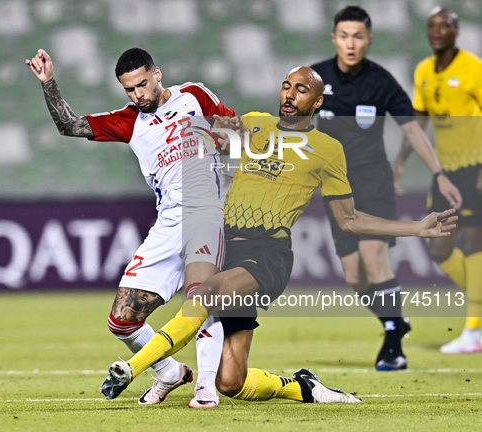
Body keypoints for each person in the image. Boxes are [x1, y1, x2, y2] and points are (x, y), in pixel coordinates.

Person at [100, 66, 458, 404]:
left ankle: (131, 369)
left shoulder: (327, 150)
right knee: (232, 383)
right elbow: (198, 140)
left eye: (302, 90)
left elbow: (348, 219)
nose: (289, 95)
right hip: (228, 250)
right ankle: (302, 387)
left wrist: (414, 227)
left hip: (267, 254)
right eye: (287, 86)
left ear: (317, 102)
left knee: (205, 294)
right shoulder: (254, 125)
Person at [26, 47, 238, 407]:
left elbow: (239, 135)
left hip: (206, 212)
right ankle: (170, 372)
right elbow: (70, 126)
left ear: (157, 73)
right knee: (121, 321)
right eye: (129, 90)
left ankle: (205, 387)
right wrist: (48, 82)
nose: (138, 95)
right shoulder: (128, 121)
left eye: (142, 84)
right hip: (168, 221)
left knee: (200, 298)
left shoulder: (195, 96)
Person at [310, 6, 462, 371]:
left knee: (375, 258)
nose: (351, 43)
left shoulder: (380, 81)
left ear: (369, 40)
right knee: (353, 276)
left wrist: (438, 172)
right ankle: (393, 319)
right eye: (344, 36)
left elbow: (411, 128)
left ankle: (393, 344)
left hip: (373, 180)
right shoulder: (316, 79)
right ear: (334, 38)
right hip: (336, 187)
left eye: (358, 37)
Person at [394, 7, 482, 354]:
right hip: (445, 172)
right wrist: (400, 160)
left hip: (475, 166)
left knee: (475, 243)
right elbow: (420, 119)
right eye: (432, 26)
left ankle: (474, 331)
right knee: (440, 246)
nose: (437, 31)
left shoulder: (473, 68)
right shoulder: (424, 71)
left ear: (456, 31)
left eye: (444, 26)